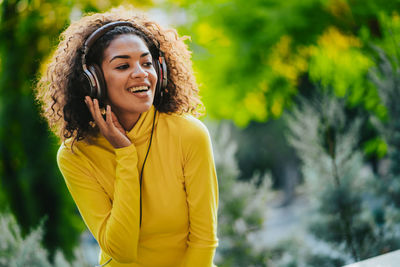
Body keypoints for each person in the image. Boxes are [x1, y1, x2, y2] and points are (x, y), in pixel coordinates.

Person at [35, 7, 218, 267]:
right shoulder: (75, 155)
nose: (141, 73)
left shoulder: (188, 134)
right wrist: (124, 152)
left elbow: (204, 240)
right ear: (93, 81)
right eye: (123, 66)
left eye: (147, 63)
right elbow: (121, 250)